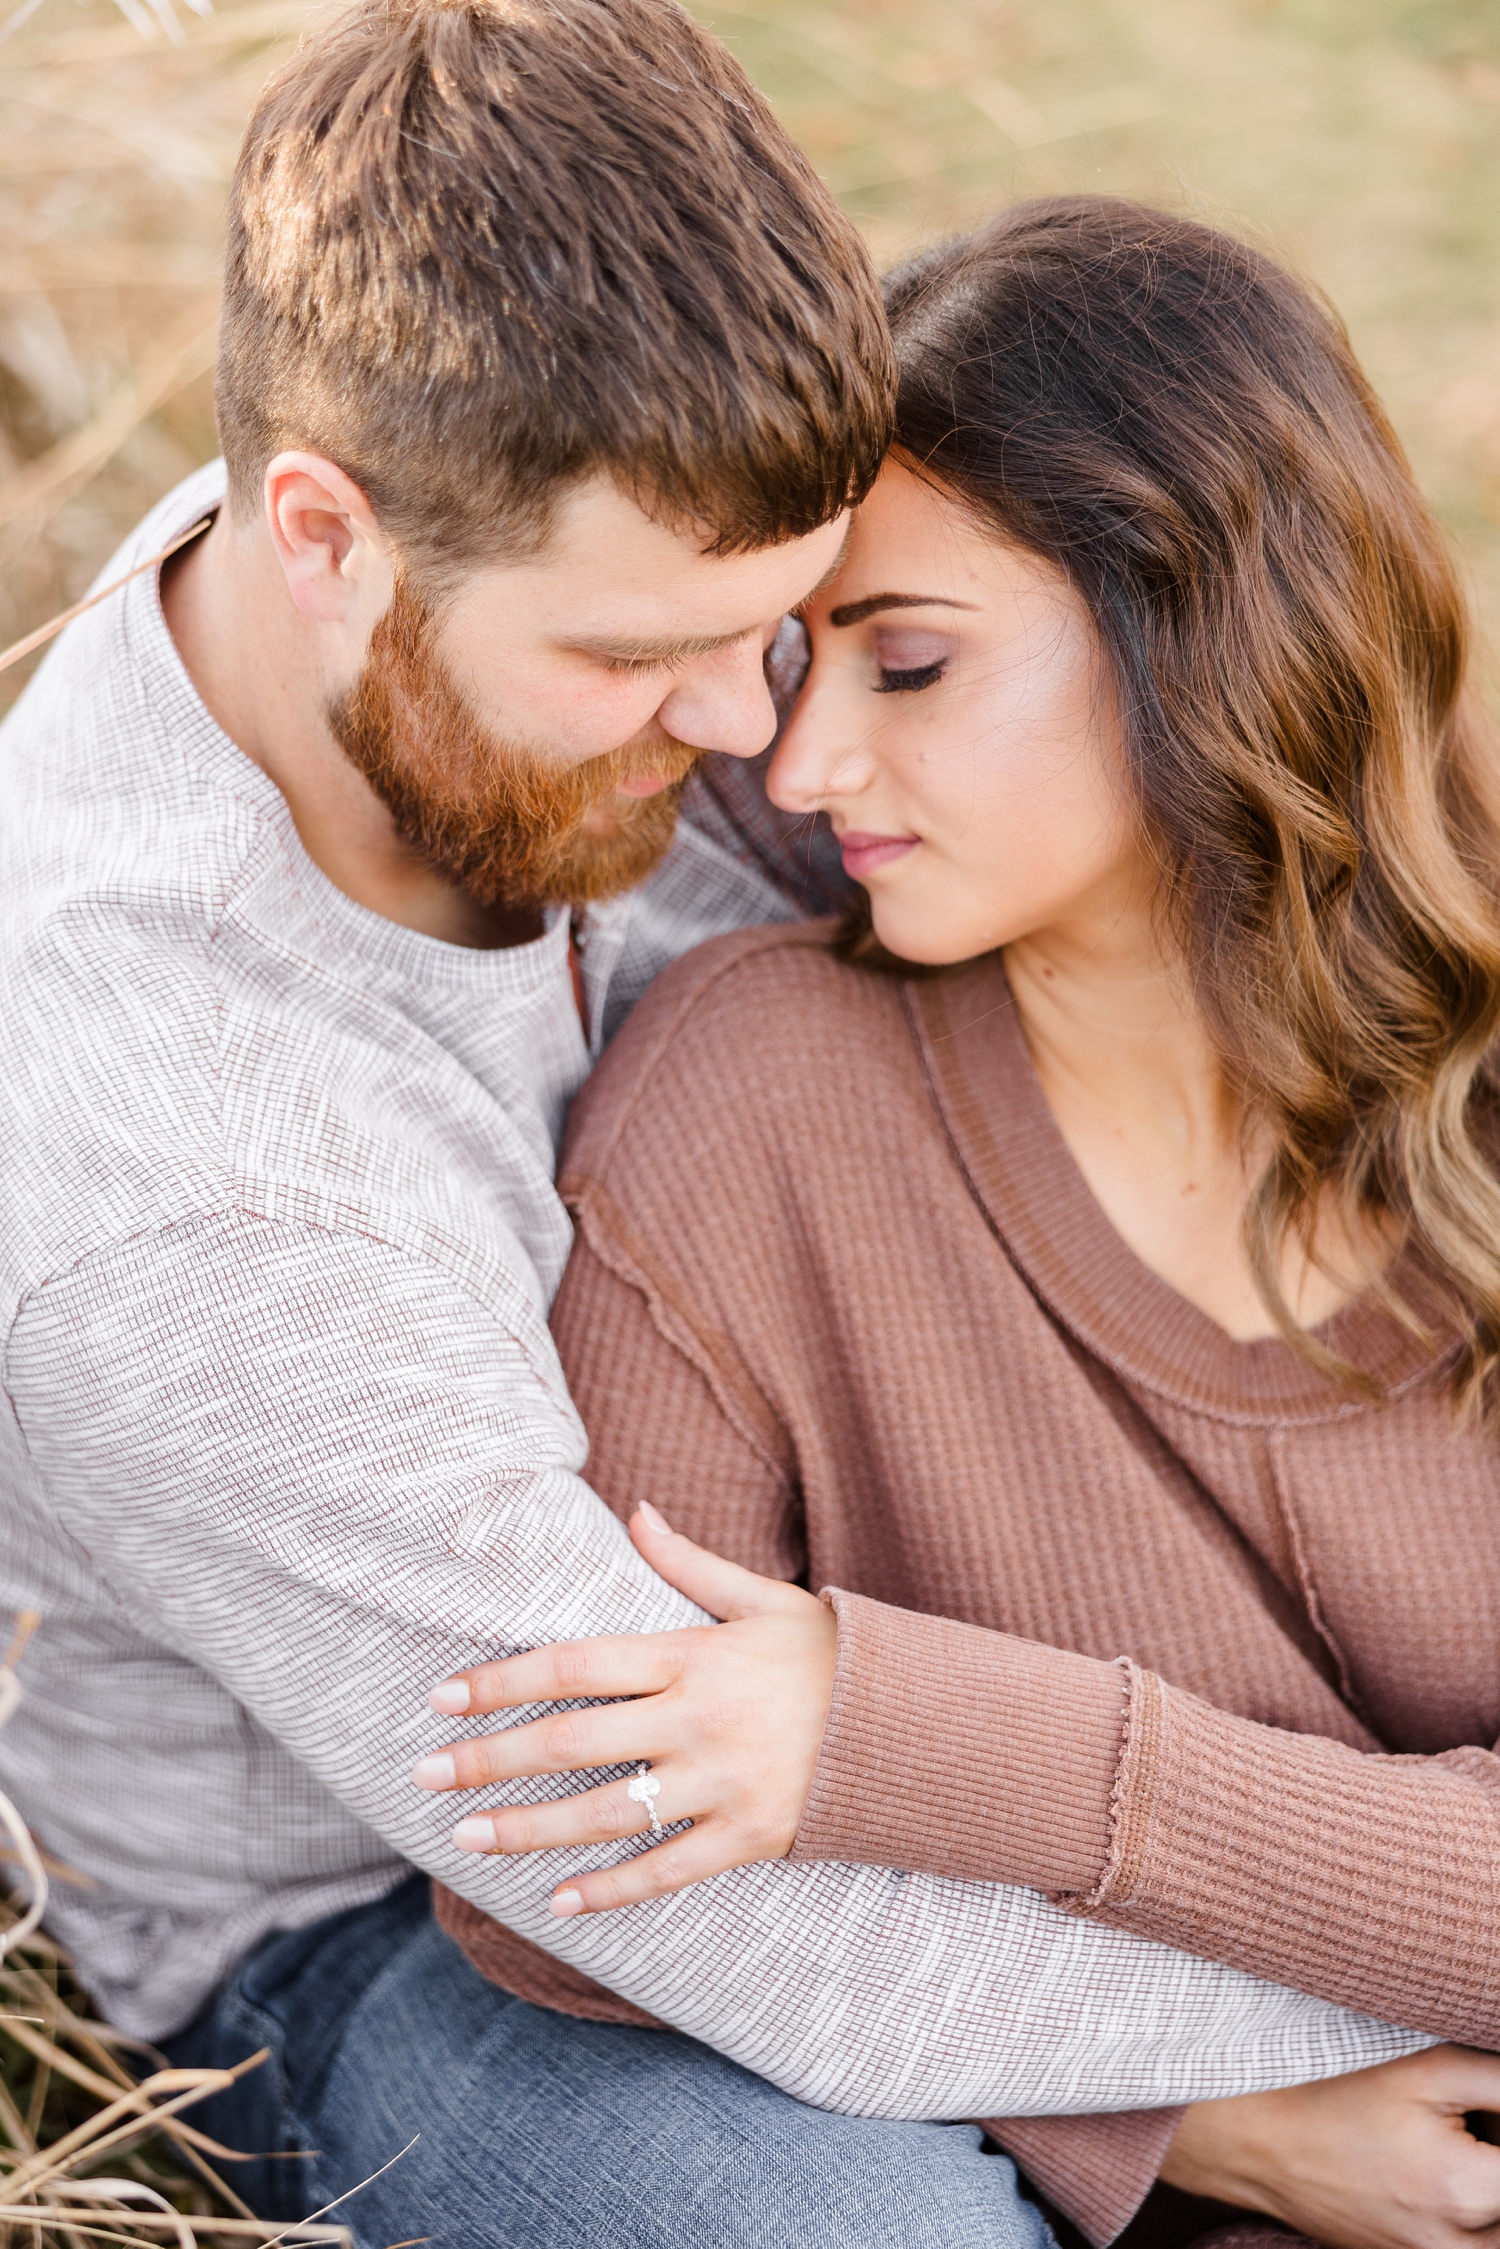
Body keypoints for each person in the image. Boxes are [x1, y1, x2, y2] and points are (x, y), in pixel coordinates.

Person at [412, 199, 1500, 2249]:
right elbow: (560, 1875)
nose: (806, 760)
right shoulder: (755, 1104)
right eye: (802, 661)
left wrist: (921, 1736)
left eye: (907, 660)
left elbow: (850, 1754)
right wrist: (1177, 2119)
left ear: (1210, 622)